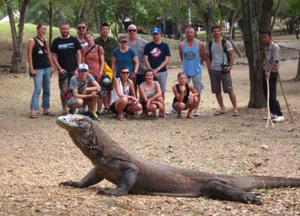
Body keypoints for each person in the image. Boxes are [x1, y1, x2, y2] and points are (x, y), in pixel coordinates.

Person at [206, 25, 239, 117]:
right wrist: (209, 68)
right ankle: (222, 108)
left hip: (224, 70)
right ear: (212, 33)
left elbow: (232, 54)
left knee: (229, 90)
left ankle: (235, 108)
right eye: (214, 31)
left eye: (218, 31)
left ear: (220, 32)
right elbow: (208, 57)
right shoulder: (209, 44)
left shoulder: (226, 43)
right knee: (217, 91)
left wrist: (230, 66)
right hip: (213, 69)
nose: (216, 33)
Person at [51, 21, 82, 115]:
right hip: (63, 71)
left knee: (74, 90)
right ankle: (64, 109)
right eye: (63, 29)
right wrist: (59, 68)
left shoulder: (74, 40)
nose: (65, 30)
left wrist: (78, 68)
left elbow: (79, 54)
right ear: (60, 29)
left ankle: (73, 108)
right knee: (63, 91)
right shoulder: (56, 41)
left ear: (69, 29)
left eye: (66, 29)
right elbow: (54, 56)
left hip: (74, 70)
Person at [27, 22, 54, 118]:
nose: (44, 31)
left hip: (46, 67)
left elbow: (48, 54)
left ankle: (46, 109)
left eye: (45, 29)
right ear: (38, 29)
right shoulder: (32, 40)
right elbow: (29, 56)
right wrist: (31, 69)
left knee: (47, 89)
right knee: (37, 89)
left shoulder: (45, 40)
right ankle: (34, 110)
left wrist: (51, 66)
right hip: (37, 69)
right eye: (42, 28)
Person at [178, 25, 206, 117]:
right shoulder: (181, 45)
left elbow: (203, 57)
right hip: (186, 72)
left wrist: (197, 64)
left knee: (197, 90)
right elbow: (182, 57)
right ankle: (179, 107)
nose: (189, 34)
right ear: (185, 34)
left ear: (194, 33)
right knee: (182, 89)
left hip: (196, 71)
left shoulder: (199, 44)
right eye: (187, 32)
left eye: (191, 32)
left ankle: (196, 109)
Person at [94, 23, 119, 114]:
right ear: (100, 31)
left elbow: (117, 53)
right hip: (99, 67)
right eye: (103, 29)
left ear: (108, 30)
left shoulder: (113, 41)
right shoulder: (96, 41)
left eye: (106, 29)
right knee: (100, 87)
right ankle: (100, 107)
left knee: (109, 88)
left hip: (110, 67)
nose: (105, 31)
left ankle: (107, 107)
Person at [262, 32, 284, 122]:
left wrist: (270, 72)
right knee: (266, 93)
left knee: (272, 95)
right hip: (266, 72)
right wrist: (263, 66)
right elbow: (267, 59)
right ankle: (273, 113)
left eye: (265, 37)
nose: (263, 39)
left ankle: (280, 114)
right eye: (262, 37)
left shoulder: (275, 47)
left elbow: (275, 61)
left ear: (270, 37)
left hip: (272, 73)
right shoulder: (266, 48)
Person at [81, 32, 105, 114]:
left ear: (93, 37)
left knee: (99, 91)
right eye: (86, 38)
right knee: (89, 92)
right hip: (88, 74)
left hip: (97, 72)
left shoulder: (99, 48)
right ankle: (90, 109)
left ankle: (99, 110)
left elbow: (102, 62)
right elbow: (83, 62)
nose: (88, 39)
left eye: (89, 37)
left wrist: (101, 72)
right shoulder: (84, 49)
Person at [144, 27, 171, 99]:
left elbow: (167, 59)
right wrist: (150, 69)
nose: (155, 36)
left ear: (160, 34)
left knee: (162, 91)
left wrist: (157, 69)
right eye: (154, 34)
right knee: (152, 91)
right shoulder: (148, 46)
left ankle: (162, 108)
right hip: (151, 73)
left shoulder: (165, 46)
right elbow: (146, 58)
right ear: (152, 35)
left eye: (157, 34)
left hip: (162, 72)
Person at [127, 24, 148, 89]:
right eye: (130, 30)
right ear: (128, 31)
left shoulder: (144, 43)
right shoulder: (125, 43)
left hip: (142, 70)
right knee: (132, 90)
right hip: (130, 71)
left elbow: (148, 56)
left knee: (143, 91)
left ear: (136, 31)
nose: (132, 32)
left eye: (134, 30)